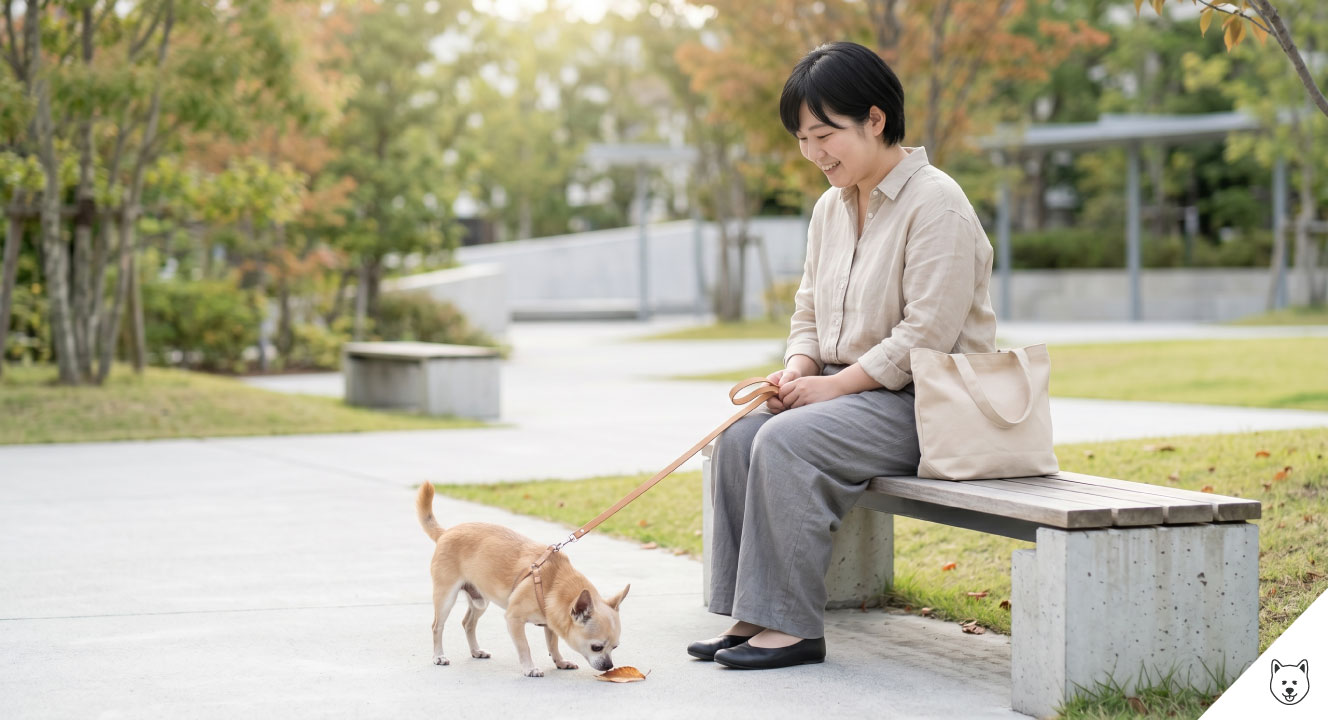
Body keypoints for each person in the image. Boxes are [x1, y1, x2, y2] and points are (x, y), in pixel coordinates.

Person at [688, 41, 998, 670]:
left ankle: (794, 628)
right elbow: (808, 310)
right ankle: (752, 613)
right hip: (849, 395)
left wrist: (833, 387)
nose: (813, 154)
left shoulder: (937, 203)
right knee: (740, 437)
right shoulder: (830, 207)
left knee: (786, 441)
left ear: (876, 120)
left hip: (925, 402)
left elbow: (927, 336)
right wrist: (798, 369)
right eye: (803, 139)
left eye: (825, 134)